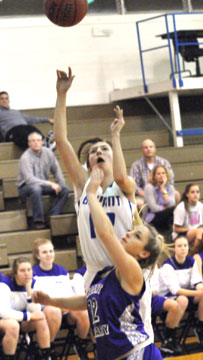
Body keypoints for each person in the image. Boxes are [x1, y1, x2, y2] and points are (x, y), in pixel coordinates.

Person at [33, 165, 164, 360]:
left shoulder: (133, 270)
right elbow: (86, 301)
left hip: (137, 353)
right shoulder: (107, 274)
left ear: (144, 253)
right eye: (132, 231)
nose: (128, 233)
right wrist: (51, 301)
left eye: (136, 235)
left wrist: (92, 193)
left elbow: (105, 233)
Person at [53, 67, 136, 289]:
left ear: (113, 155)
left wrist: (115, 136)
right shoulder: (83, 184)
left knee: (137, 326)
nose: (98, 152)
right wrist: (62, 95)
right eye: (93, 151)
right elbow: (61, 141)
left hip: (127, 270)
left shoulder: (126, 187)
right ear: (88, 162)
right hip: (95, 274)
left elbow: (119, 176)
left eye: (104, 149)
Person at [32, 238, 90, 344]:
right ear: (37, 256)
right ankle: (48, 347)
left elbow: (67, 293)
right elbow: (38, 299)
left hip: (64, 310)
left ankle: (81, 344)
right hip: (46, 310)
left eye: (51, 251)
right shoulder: (33, 273)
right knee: (53, 310)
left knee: (83, 312)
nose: (49, 254)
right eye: (44, 252)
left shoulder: (62, 271)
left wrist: (65, 305)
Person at [0, 257, 51, 360]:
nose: (27, 274)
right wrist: (28, 316)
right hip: (4, 320)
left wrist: (29, 293)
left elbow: (36, 311)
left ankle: (45, 355)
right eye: (22, 271)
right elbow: (4, 313)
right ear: (15, 273)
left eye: (29, 270)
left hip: (22, 319)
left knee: (41, 318)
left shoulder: (34, 283)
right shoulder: (4, 284)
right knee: (13, 326)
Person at [17, 132, 69, 230]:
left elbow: (57, 171)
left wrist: (60, 185)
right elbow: (29, 179)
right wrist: (50, 183)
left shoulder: (48, 153)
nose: (36, 143)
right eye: (33, 141)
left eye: (38, 140)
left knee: (65, 189)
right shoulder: (25, 157)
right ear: (29, 144)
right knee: (35, 188)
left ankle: (51, 217)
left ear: (42, 142)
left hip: (41, 185)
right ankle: (38, 221)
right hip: (25, 187)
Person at [158, 236, 203, 346]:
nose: (183, 248)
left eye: (185, 245)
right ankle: (169, 338)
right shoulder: (168, 265)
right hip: (167, 296)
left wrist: (201, 288)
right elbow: (176, 290)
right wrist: (198, 292)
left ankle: (200, 327)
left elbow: (196, 281)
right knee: (182, 300)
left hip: (186, 294)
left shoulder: (191, 261)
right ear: (174, 249)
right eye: (179, 246)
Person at [130, 138, 180, 206]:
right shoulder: (136, 165)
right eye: (146, 147)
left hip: (163, 192)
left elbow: (170, 180)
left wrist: (162, 191)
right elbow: (133, 185)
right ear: (142, 150)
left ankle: (173, 216)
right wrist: (146, 194)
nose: (148, 149)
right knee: (136, 201)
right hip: (144, 195)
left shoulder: (164, 162)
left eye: (151, 147)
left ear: (155, 149)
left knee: (176, 195)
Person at [151, 265, 187, 355]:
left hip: (152, 296)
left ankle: (168, 341)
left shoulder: (153, 265)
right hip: (135, 297)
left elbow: (155, 289)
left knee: (175, 305)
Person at [143, 165, 176, 232]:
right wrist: (165, 208)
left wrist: (162, 189)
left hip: (164, 215)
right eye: (158, 174)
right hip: (152, 217)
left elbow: (172, 204)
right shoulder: (149, 187)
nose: (161, 176)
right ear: (154, 176)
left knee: (176, 210)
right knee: (172, 210)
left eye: (163, 173)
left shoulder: (170, 187)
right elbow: (154, 208)